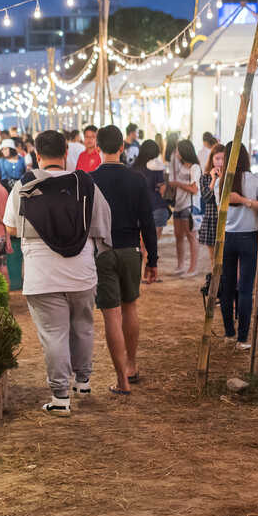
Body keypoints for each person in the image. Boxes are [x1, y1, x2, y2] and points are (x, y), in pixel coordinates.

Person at [5, 130, 111, 416]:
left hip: (42, 274)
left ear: (37, 155)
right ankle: (84, 381)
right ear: (66, 153)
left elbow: (12, 228)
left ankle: (60, 396)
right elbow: (102, 224)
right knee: (83, 327)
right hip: (82, 270)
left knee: (54, 334)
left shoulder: (24, 185)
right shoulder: (85, 183)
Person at [90, 126, 158, 395]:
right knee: (131, 308)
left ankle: (122, 380)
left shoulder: (89, 180)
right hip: (131, 250)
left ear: (97, 149)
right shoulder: (137, 179)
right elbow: (148, 223)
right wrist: (153, 258)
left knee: (111, 314)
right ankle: (131, 365)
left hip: (102, 251)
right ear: (122, 148)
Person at [216, 142, 258, 350]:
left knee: (227, 286)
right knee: (245, 288)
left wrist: (239, 199)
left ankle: (228, 332)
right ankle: (242, 338)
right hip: (248, 237)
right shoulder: (254, 180)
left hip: (226, 238)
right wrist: (246, 201)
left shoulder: (223, 182)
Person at [135, 139, 169, 276]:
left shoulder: (134, 167)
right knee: (152, 243)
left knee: (141, 245)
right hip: (157, 207)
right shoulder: (157, 167)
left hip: (139, 209)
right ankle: (149, 270)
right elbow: (162, 190)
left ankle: (141, 272)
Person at [169, 139, 202, 276]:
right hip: (179, 204)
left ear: (183, 152)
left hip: (189, 205)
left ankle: (193, 268)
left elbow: (194, 189)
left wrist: (177, 184)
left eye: (178, 150)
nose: (176, 153)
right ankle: (181, 265)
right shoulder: (182, 167)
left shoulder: (194, 167)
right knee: (178, 236)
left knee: (191, 236)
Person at [198, 143, 225, 293]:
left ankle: (225, 288)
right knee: (213, 259)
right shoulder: (205, 177)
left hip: (226, 222)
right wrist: (214, 180)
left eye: (222, 159)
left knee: (225, 259)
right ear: (212, 159)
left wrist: (221, 179)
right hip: (211, 220)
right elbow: (207, 198)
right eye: (217, 158)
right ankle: (217, 289)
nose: (220, 162)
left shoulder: (229, 177)